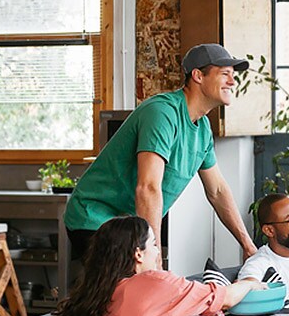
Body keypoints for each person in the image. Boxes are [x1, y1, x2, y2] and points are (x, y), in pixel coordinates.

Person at [65, 43, 259, 263]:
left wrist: (247, 245)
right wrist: (153, 254)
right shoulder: (162, 113)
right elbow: (147, 188)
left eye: (233, 75)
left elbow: (218, 191)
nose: (233, 82)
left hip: (128, 228)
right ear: (198, 76)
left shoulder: (202, 128)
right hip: (95, 220)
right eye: (225, 74)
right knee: (137, 290)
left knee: (147, 289)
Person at [55, 215, 255, 316]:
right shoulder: (156, 283)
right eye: (153, 244)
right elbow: (225, 298)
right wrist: (249, 282)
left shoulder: (96, 294)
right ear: (138, 254)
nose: (158, 251)